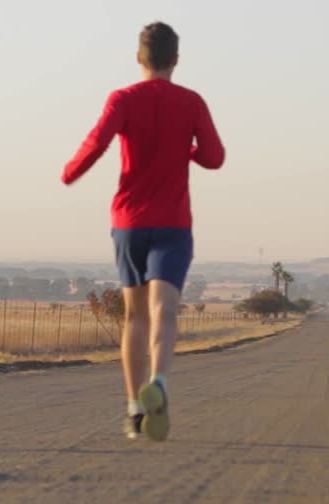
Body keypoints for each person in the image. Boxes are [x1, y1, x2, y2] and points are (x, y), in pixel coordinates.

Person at [62, 21, 225, 441]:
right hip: (173, 224)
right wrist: (183, 148)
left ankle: (135, 409)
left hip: (129, 224)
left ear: (139, 58)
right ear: (175, 60)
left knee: (134, 317)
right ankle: (161, 384)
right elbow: (214, 157)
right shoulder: (192, 102)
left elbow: (97, 141)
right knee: (164, 311)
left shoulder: (123, 99)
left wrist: (70, 172)